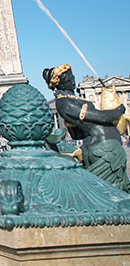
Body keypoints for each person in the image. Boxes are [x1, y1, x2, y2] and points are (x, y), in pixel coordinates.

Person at [43, 64, 130, 192]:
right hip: (104, 150)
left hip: (106, 147)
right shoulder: (65, 103)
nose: (73, 80)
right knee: (111, 192)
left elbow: (77, 134)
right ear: (60, 82)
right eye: (69, 78)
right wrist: (119, 110)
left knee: (116, 189)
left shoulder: (71, 100)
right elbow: (101, 117)